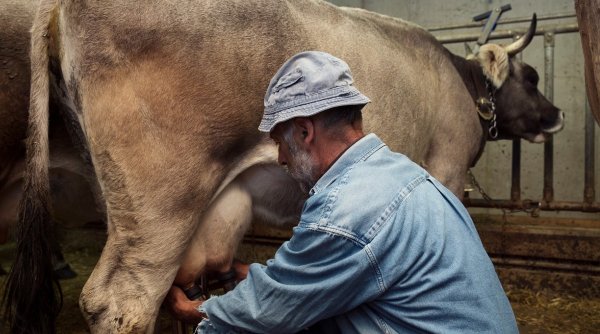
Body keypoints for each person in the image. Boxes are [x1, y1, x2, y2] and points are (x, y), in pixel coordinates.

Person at [166, 51, 518, 333]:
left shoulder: (343, 212)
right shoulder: (404, 175)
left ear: (305, 132)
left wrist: (198, 311)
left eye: (280, 143)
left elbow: (271, 312)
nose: (280, 158)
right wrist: (250, 275)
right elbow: (322, 275)